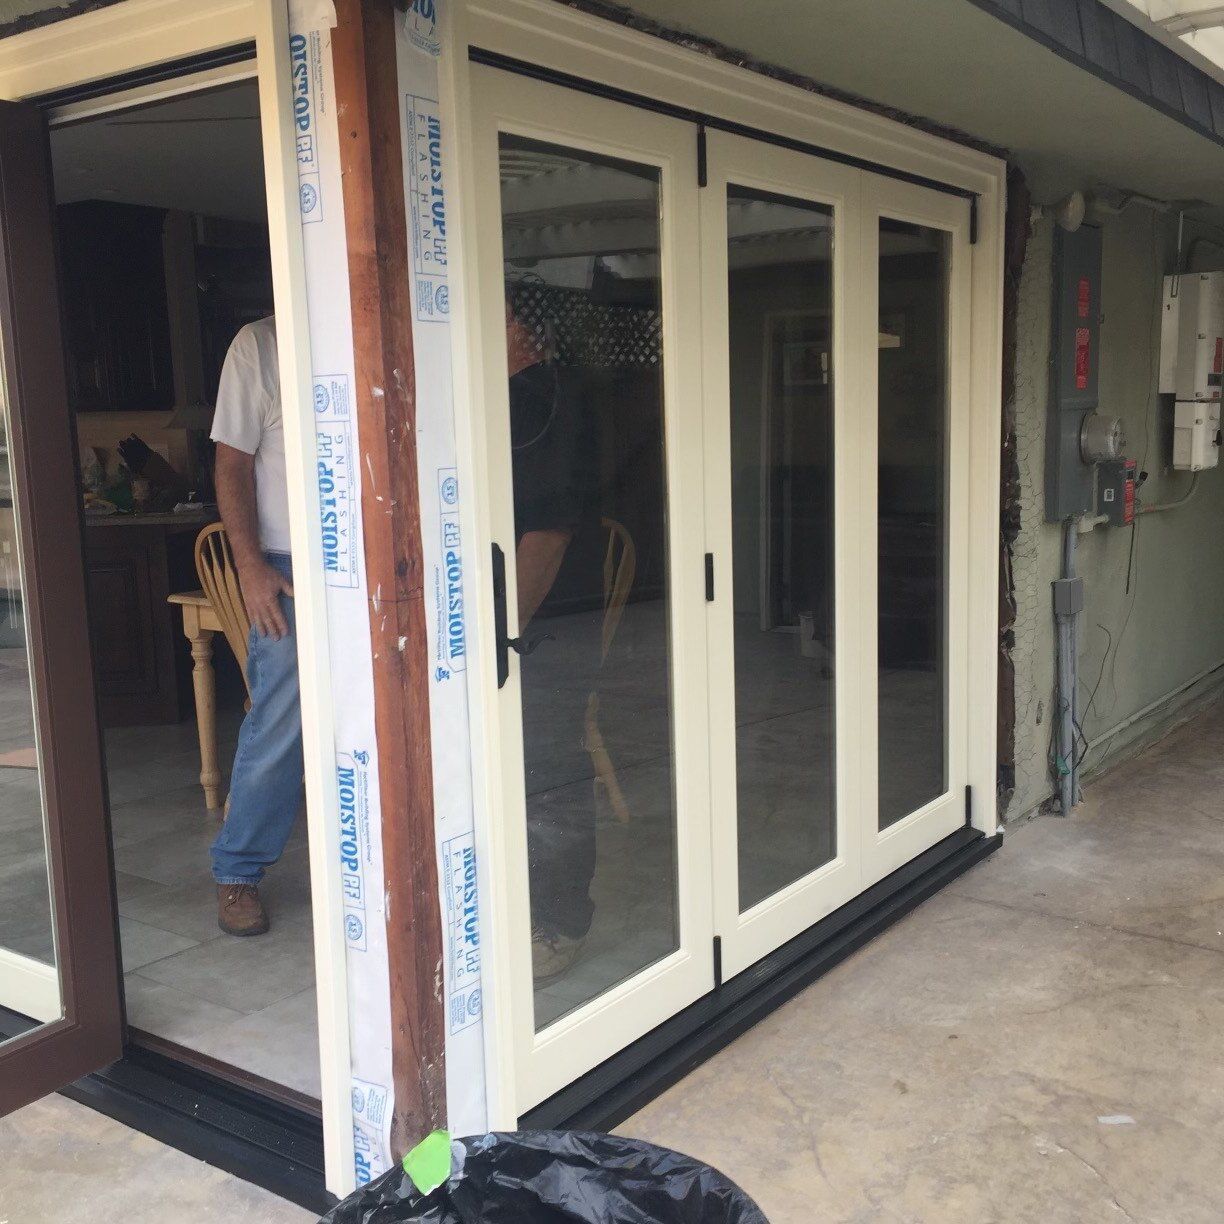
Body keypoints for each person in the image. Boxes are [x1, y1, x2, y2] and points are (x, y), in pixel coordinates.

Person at [506, 298, 603, 982]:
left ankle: (559, 924)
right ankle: (516, 911)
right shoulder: (510, 398)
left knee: (548, 772)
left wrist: (498, 638)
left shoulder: (544, 402)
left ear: (527, 333)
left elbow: (546, 530)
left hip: (546, 623)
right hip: (523, 620)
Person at [208, 315, 301, 937]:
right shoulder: (260, 345)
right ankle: (238, 871)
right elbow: (232, 464)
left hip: (379, 558)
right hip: (288, 568)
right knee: (280, 711)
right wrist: (250, 567)